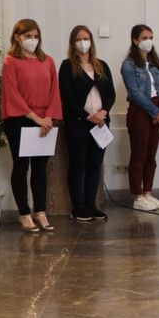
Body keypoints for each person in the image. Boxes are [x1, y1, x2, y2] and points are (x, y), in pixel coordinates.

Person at [1, 19, 62, 232]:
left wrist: (49, 118)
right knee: (21, 166)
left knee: (40, 167)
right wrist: (36, 118)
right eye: (28, 36)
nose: (32, 40)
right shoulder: (10, 61)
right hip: (20, 119)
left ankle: (41, 211)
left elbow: (55, 91)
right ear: (17, 37)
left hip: (45, 120)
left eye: (35, 36)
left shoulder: (48, 61)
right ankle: (24, 213)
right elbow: (12, 94)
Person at [58, 25, 115, 222]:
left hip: (100, 123)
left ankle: (91, 204)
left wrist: (103, 112)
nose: (83, 42)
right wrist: (85, 115)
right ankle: (78, 207)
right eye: (79, 39)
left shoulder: (102, 65)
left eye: (86, 38)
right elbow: (67, 96)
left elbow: (111, 94)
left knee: (95, 164)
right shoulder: (67, 66)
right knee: (78, 164)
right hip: (78, 123)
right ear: (73, 43)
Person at [121, 24, 159, 212]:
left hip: (158, 110)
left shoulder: (154, 62)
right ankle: (138, 196)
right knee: (139, 156)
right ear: (135, 40)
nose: (148, 41)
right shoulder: (128, 65)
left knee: (151, 155)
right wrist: (153, 111)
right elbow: (134, 93)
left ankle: (148, 192)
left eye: (151, 37)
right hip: (140, 111)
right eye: (144, 38)